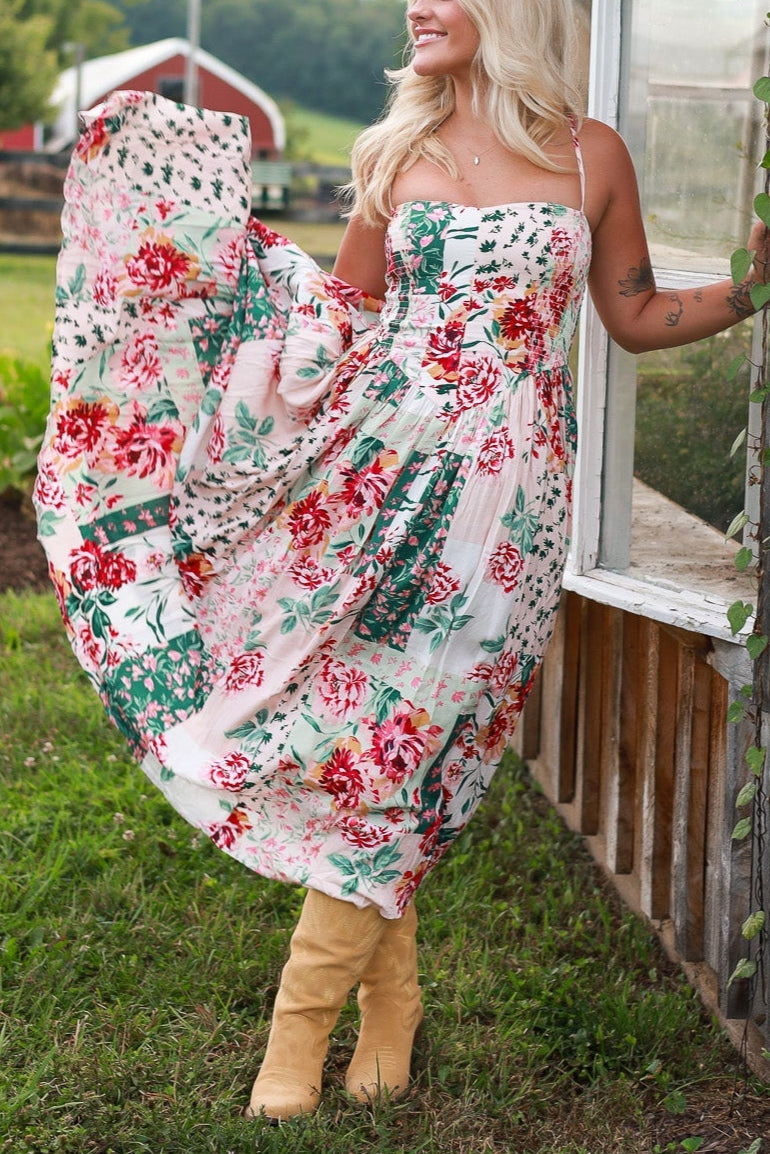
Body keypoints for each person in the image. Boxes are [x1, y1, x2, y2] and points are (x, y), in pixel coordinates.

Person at [34, 0, 769, 1125]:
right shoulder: (395, 149)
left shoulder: (591, 154)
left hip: (507, 502)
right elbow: (344, 314)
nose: (417, 4)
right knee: (367, 737)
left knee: (409, 734)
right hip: (372, 475)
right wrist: (211, 302)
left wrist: (751, 286)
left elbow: (635, 313)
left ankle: (301, 1032)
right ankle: (384, 1006)